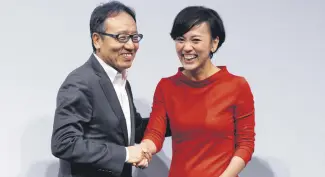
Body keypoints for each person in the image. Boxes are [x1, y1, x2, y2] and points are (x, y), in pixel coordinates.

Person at [51, 1, 170, 177]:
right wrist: (126, 154)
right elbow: (64, 142)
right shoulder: (80, 82)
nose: (131, 45)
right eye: (121, 37)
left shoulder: (120, 80)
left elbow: (133, 129)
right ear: (97, 40)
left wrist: (181, 119)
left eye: (135, 37)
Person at [136, 5, 256, 177]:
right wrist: (143, 149)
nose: (186, 48)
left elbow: (245, 144)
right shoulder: (166, 86)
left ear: (214, 43)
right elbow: (155, 133)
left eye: (195, 40)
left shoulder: (237, 86)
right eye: (180, 39)